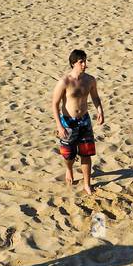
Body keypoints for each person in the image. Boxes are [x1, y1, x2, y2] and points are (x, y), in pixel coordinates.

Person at [52, 49, 104, 194]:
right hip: (68, 122)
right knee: (69, 155)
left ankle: (87, 184)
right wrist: (59, 125)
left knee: (86, 154)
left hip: (85, 121)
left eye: (85, 61)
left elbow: (95, 97)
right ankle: (69, 169)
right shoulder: (64, 82)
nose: (84, 64)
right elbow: (54, 104)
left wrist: (100, 110)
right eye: (81, 62)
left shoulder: (90, 80)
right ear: (73, 63)